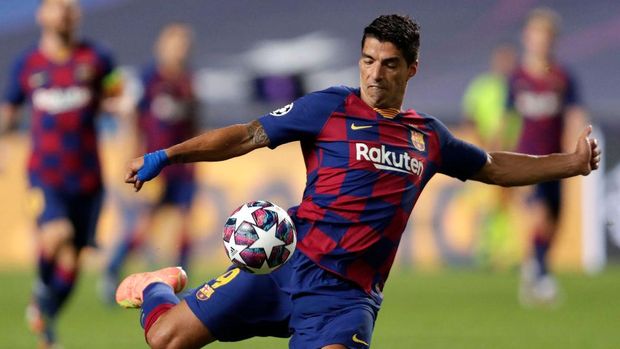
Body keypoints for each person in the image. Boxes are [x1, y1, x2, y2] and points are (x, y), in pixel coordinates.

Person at [116, 14, 600, 348]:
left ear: (412, 68)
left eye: (389, 64)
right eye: (367, 60)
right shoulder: (327, 107)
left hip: (345, 298)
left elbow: (492, 165)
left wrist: (571, 163)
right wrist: (167, 154)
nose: (375, 74)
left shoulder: (427, 137)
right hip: (286, 264)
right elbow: (246, 136)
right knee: (164, 338)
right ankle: (159, 284)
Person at [0, 0, 120, 347]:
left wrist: (121, 111)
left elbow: (117, 97)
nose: (65, 12)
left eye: (71, 6)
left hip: (87, 177)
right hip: (44, 174)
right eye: (57, 6)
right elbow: (9, 109)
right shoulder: (28, 64)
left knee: (72, 260)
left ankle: (47, 316)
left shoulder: (97, 58)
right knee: (57, 233)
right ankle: (41, 289)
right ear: (42, 14)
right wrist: (4, 145)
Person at [102, 23, 199, 302]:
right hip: (154, 164)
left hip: (183, 166)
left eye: (185, 45)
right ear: (163, 47)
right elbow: (133, 119)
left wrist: (198, 156)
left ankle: (184, 284)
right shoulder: (148, 79)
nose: (181, 50)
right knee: (146, 224)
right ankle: (112, 270)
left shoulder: (188, 81)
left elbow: (194, 123)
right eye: (176, 44)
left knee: (185, 222)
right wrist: (132, 154)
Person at [508, 8, 589, 305]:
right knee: (539, 214)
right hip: (527, 161)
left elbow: (575, 112)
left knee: (555, 218)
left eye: (546, 35)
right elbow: (506, 120)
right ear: (526, 38)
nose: (540, 41)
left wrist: (579, 144)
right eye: (536, 34)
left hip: (557, 160)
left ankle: (535, 267)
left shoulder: (562, 77)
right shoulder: (516, 78)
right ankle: (542, 276)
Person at [461, 43, 521, 269]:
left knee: (506, 202)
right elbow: (470, 117)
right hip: (484, 154)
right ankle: (486, 250)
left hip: (512, 153)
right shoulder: (482, 87)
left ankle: (506, 252)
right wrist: (482, 142)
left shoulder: (517, 87)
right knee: (488, 203)